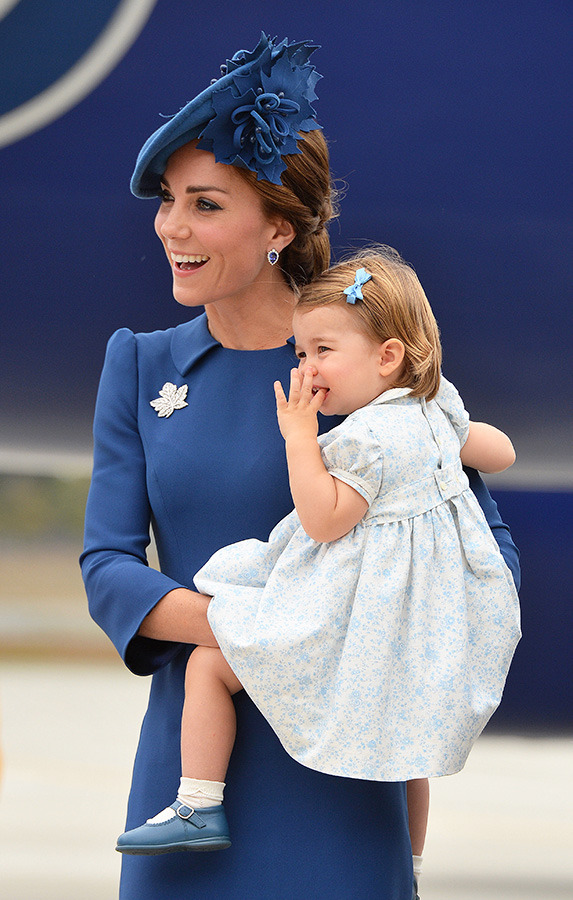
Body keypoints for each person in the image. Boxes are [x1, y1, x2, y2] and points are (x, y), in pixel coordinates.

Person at [81, 34, 520, 900]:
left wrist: (353, 635)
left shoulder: (368, 373)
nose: (172, 226)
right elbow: (107, 569)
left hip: (341, 765)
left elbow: (481, 555)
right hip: (192, 777)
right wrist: (262, 632)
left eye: (204, 205)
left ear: (278, 227)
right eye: (169, 202)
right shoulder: (140, 365)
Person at [115, 247, 521, 864]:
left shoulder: (365, 438)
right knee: (405, 744)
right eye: (301, 354)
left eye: (321, 352)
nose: (305, 370)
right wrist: (447, 450)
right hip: (422, 617)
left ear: (387, 356)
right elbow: (500, 453)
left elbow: (326, 521)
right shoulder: (436, 410)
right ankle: (407, 863)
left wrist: (300, 439)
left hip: (356, 611)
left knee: (210, 663)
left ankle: (198, 800)